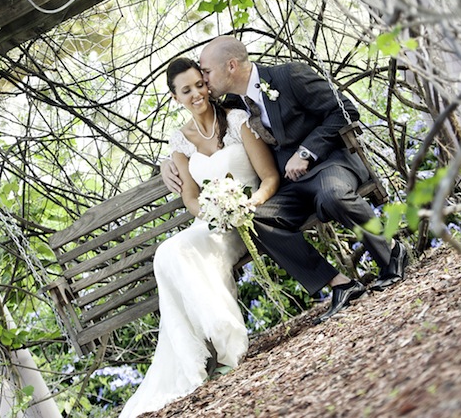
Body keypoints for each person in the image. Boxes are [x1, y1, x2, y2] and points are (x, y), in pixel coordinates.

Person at [163, 36, 409, 324]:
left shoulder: (289, 76)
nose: (203, 81)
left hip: (329, 165)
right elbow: (198, 133)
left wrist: (306, 152)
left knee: (332, 195)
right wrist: (167, 162)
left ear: (230, 66)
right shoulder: (232, 101)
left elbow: (344, 111)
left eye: (206, 72)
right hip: (291, 187)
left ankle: (391, 252)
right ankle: (340, 284)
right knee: (256, 221)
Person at [119, 57, 281, 418]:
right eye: (186, 90)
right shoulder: (180, 142)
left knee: (178, 253)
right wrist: (213, 212)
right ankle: (206, 349)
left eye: (199, 85)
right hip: (210, 222)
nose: (197, 94)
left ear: (207, 84)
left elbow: (268, 176)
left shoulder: (237, 121)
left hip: (249, 216)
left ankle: (228, 347)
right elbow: (191, 198)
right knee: (168, 252)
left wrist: (248, 204)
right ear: (175, 97)